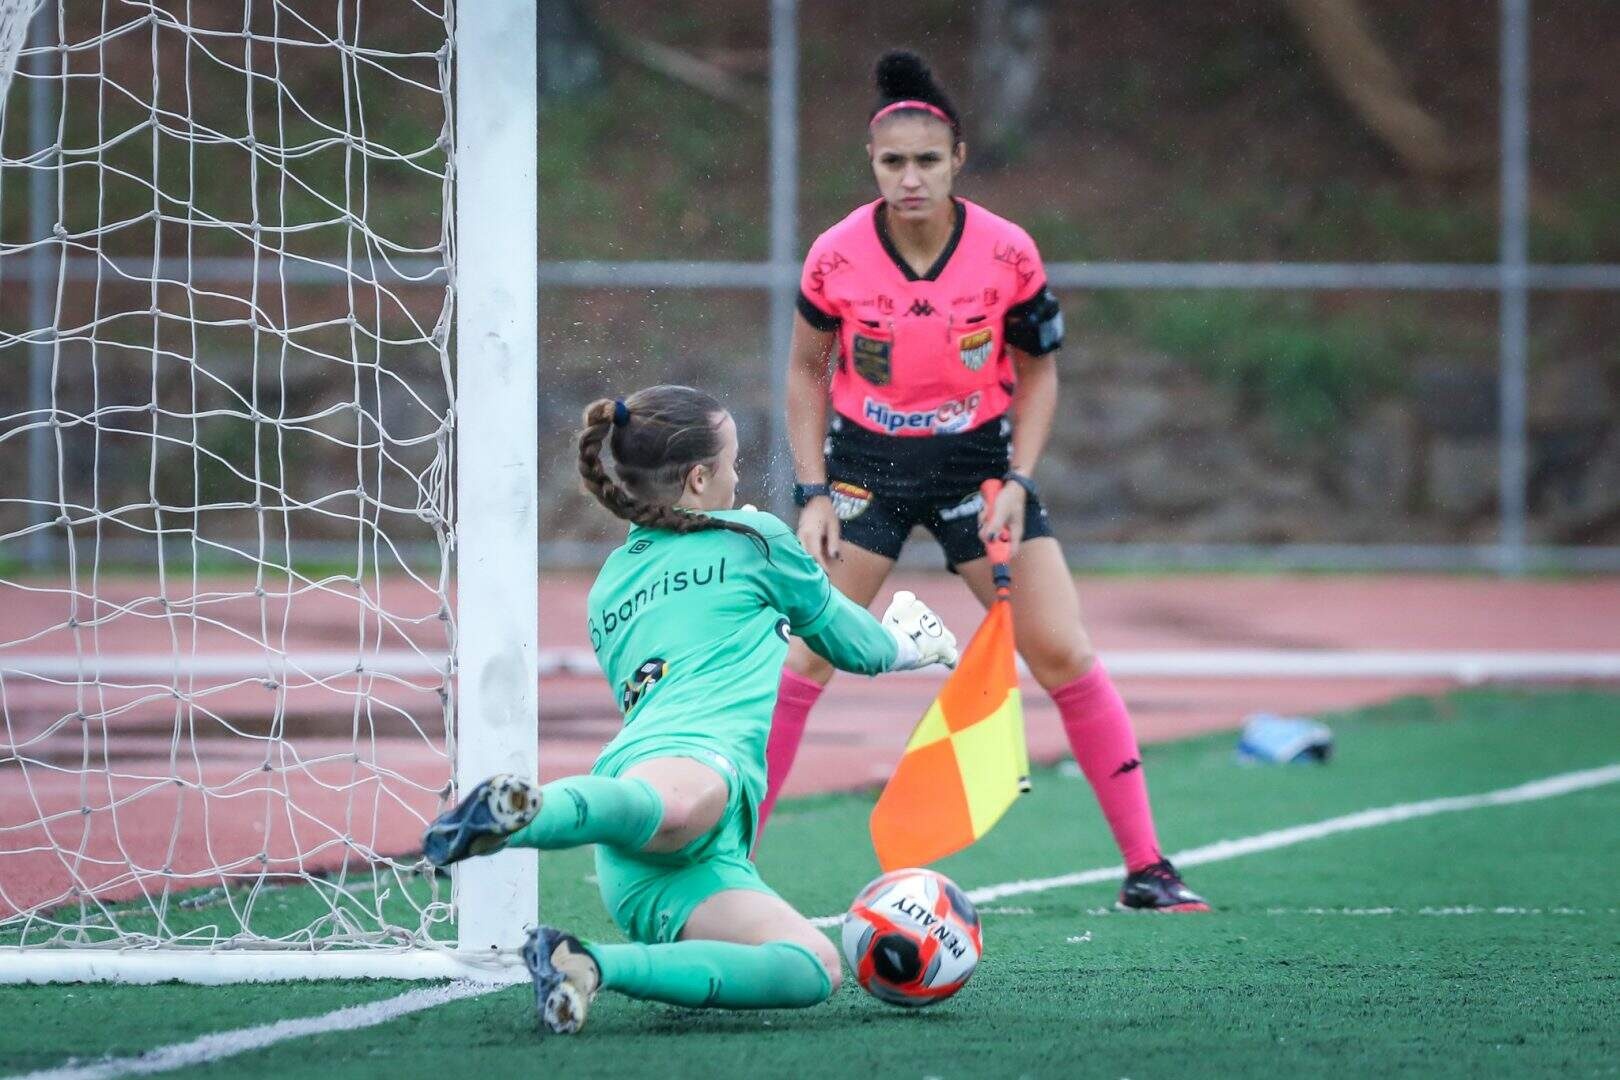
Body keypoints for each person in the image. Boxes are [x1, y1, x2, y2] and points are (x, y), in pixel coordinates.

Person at [759, 50, 1208, 913]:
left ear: (958, 159)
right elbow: (806, 371)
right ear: (871, 164)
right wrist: (811, 492)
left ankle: (1148, 868)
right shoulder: (836, 256)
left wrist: (1020, 480)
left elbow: (1039, 371)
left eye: (928, 161)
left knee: (1064, 653)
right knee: (804, 660)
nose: (911, 179)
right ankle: (728, 864)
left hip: (979, 472)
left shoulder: (1008, 252)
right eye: (894, 162)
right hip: (864, 473)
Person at [422, 384, 958, 1035]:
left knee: (813, 968)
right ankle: (520, 816)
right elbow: (857, 647)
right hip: (677, 773)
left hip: (678, 861)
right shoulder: (754, 538)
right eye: (732, 462)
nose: (737, 476)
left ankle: (586, 964)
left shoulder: (611, 583)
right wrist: (913, 643)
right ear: (700, 478)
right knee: (677, 805)